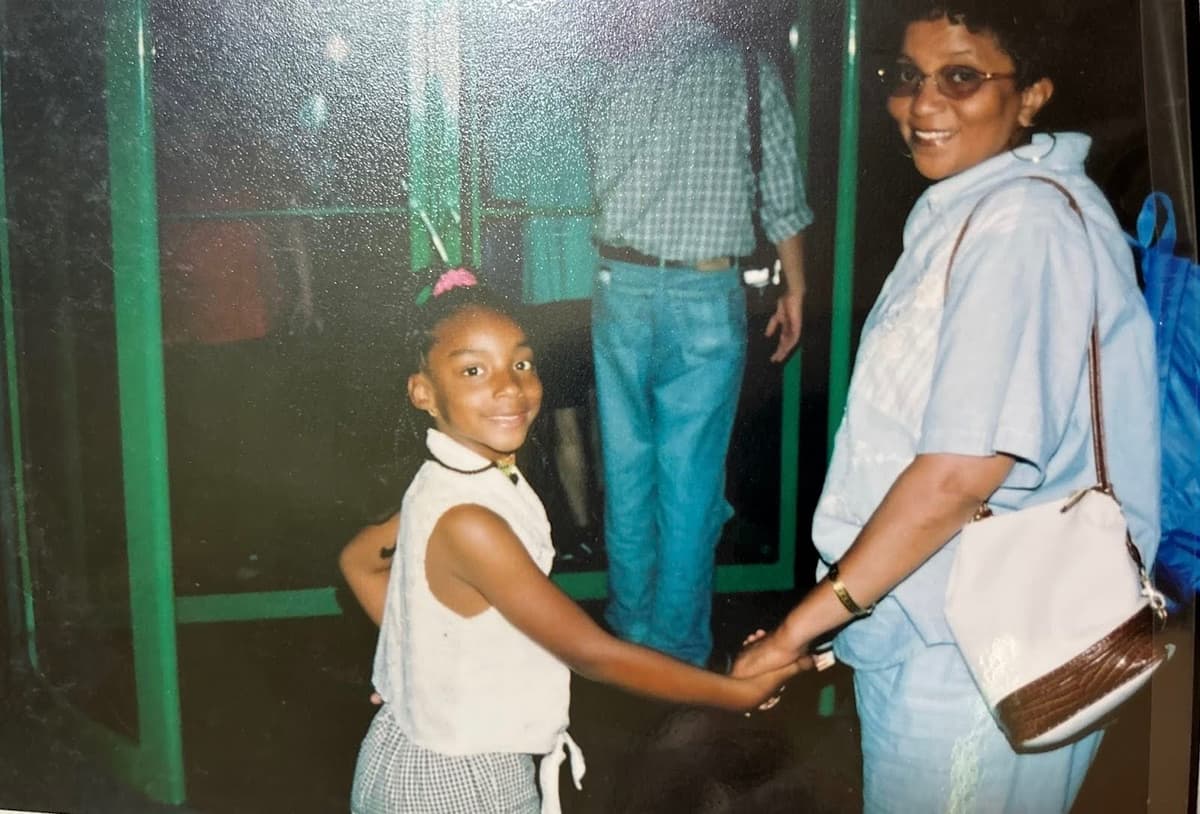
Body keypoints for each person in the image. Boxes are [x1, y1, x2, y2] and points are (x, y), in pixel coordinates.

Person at [733, 2, 1160, 812]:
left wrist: (800, 629)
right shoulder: (973, 209)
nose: (923, 105)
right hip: (938, 627)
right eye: (907, 78)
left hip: (983, 652)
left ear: (1031, 93)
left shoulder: (1021, 227)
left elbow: (960, 476)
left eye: (961, 77)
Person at [338, 270, 805, 814]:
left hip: (422, 751)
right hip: (458, 780)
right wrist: (735, 691)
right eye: (472, 370)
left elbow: (358, 562)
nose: (509, 386)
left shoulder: (443, 477)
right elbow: (593, 654)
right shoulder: (471, 523)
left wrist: (415, 668)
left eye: (521, 363)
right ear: (423, 392)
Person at [587, 2, 814, 666]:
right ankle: (679, 650)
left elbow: (599, 175)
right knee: (688, 478)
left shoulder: (614, 68)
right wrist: (795, 288)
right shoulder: (748, 72)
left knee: (626, 467)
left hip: (620, 284)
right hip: (708, 291)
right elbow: (783, 193)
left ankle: (628, 632)